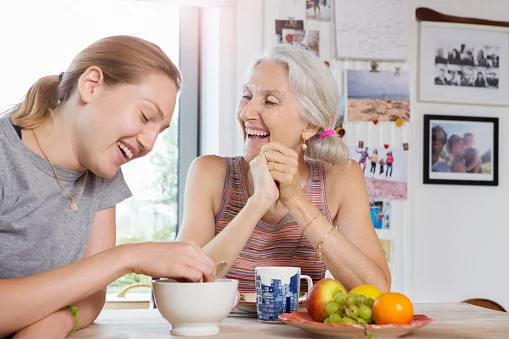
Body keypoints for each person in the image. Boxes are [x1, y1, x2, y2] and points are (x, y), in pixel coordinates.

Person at [0, 36, 216, 339]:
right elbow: (101, 269)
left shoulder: (103, 175)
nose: (149, 143)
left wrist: (54, 324)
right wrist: (126, 258)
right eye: (144, 116)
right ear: (91, 85)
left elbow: (90, 298)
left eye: (160, 132)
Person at [176, 44, 391, 295]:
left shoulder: (340, 177)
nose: (246, 112)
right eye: (247, 96)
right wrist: (258, 202)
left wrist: (295, 200)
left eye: (270, 101)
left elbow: (378, 290)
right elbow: (183, 286)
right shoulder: (209, 173)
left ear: (310, 124)